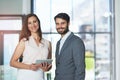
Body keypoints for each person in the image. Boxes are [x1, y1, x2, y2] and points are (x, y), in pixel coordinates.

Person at [10, 14, 52, 80]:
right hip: (25, 76)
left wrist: (47, 68)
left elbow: (48, 64)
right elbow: (12, 62)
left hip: (40, 76)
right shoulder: (24, 41)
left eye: (34, 21)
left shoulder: (48, 43)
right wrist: (29, 67)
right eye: (29, 23)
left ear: (38, 22)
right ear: (27, 26)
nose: (33, 25)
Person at [54, 13, 85, 80]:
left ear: (68, 23)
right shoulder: (58, 43)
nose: (60, 26)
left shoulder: (76, 41)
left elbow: (80, 69)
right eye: (57, 24)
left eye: (62, 23)